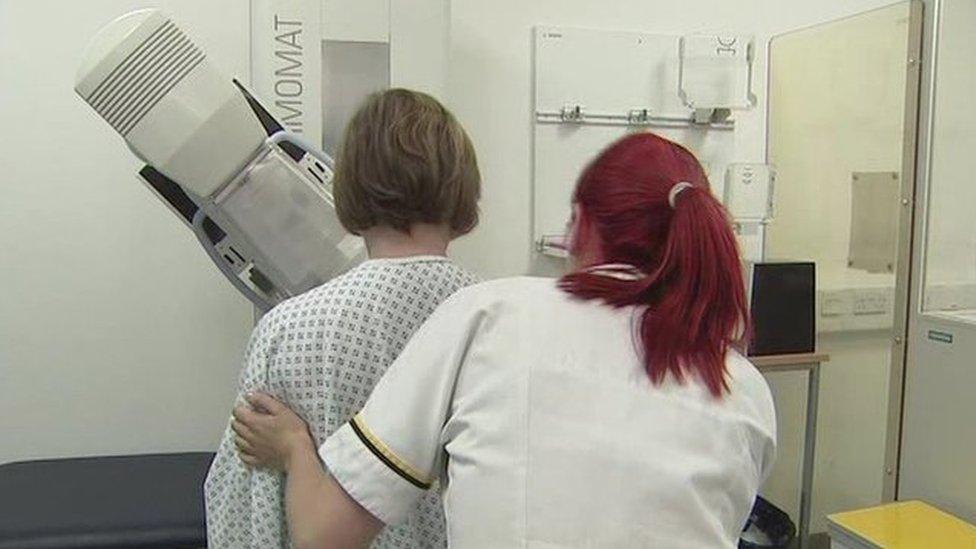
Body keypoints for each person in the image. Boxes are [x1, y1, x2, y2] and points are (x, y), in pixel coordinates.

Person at [233, 132, 777, 548]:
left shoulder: (490, 314)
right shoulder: (746, 391)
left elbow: (322, 535)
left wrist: (294, 450)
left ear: (581, 226)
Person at [204, 88, 482, 548]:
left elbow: (244, 511)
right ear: (464, 189)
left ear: (348, 187)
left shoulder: (288, 331)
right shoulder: (500, 321)